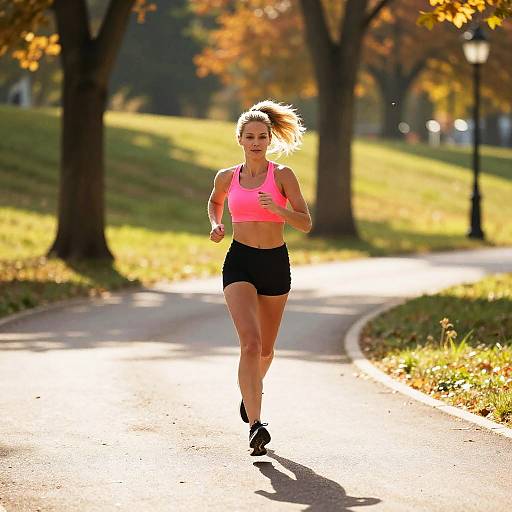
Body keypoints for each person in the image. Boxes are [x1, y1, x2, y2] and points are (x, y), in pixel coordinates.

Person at [207, 100, 312, 456]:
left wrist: (279, 208)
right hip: (240, 261)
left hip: (275, 263)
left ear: (269, 140)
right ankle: (256, 425)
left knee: (266, 349)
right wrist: (216, 224)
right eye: (249, 136)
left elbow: (306, 222)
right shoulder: (227, 176)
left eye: (261, 137)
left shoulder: (282, 175)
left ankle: (249, 391)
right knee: (249, 344)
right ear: (240, 139)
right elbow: (214, 202)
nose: (255, 142)